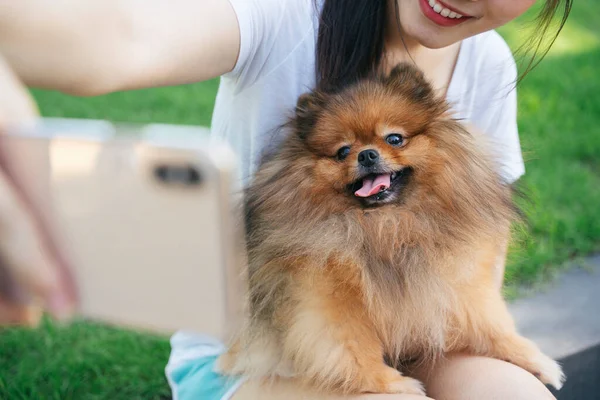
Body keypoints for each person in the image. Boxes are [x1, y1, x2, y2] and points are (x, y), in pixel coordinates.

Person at [0, 0, 571, 399]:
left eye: (393, 140)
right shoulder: (287, 15)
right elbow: (122, 35)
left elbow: (479, 267)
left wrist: (497, 342)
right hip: (255, 356)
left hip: (424, 336)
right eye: (348, 149)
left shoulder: (487, 60)